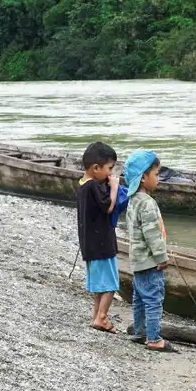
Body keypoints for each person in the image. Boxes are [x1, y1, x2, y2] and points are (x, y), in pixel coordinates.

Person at [125, 149, 176, 353]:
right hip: (150, 260)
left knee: (139, 297)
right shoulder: (147, 203)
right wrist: (161, 257)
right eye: (156, 174)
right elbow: (152, 234)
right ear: (143, 178)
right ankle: (154, 338)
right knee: (154, 299)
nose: (159, 179)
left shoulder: (133, 200)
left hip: (137, 259)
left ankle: (140, 331)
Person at [77, 141, 120, 333]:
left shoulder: (82, 184)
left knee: (99, 286)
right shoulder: (94, 186)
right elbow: (108, 206)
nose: (111, 174)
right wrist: (114, 187)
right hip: (102, 243)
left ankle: (96, 316)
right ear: (96, 168)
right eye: (109, 169)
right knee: (111, 284)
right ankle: (102, 317)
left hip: (89, 243)